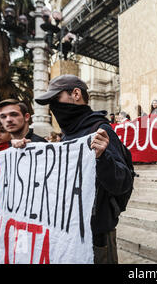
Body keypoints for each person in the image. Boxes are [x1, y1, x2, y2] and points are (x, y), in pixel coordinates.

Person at [34, 74, 132, 264]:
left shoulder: (100, 129)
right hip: (69, 233)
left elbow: (123, 182)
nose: (52, 107)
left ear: (76, 94)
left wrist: (102, 158)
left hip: (97, 236)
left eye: (56, 99)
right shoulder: (66, 136)